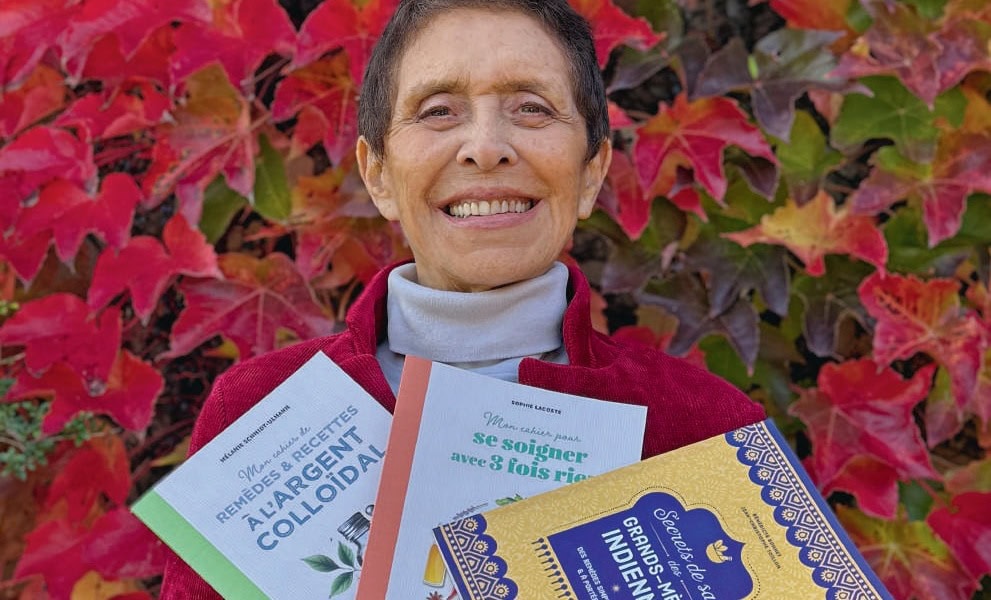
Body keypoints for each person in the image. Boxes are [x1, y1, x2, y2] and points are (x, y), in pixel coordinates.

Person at [159, 0, 765, 597]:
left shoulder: (702, 425)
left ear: (591, 172)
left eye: (531, 108)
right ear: (378, 176)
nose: (485, 147)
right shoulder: (260, 408)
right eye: (438, 111)